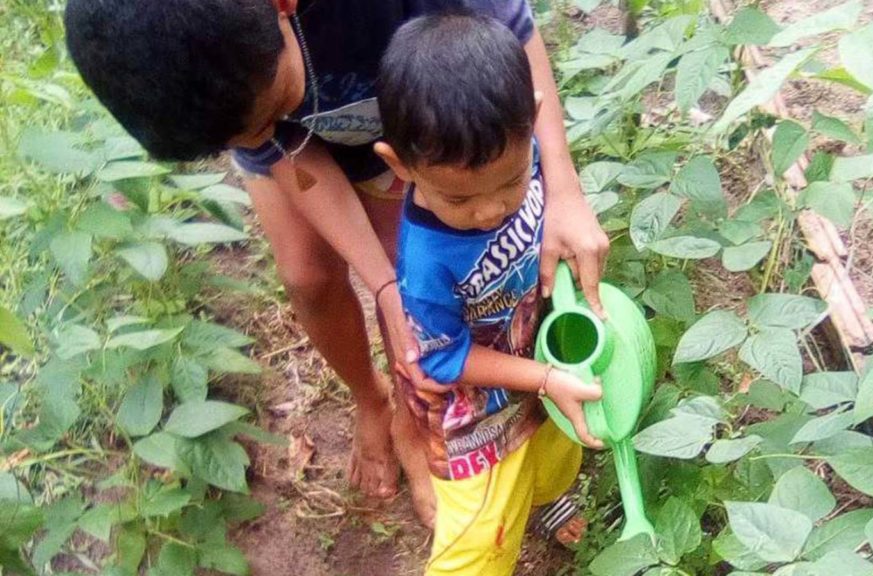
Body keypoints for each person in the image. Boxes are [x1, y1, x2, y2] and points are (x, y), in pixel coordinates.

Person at [63, 0, 610, 526]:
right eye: (237, 140)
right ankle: (371, 402)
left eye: (269, 108)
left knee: (419, 298)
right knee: (307, 275)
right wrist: (385, 287)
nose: (256, 137)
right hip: (317, 133)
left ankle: (419, 424)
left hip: (428, 123)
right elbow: (282, 144)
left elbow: (513, 26)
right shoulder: (228, 77)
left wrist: (562, 186)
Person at [373, 12, 603, 574]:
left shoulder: (527, 151)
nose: (491, 209)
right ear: (399, 166)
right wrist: (545, 379)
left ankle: (545, 499)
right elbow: (445, 358)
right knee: (476, 543)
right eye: (459, 201)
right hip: (478, 415)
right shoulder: (425, 264)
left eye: (510, 183)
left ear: (534, 124)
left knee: (550, 457)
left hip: (538, 357)